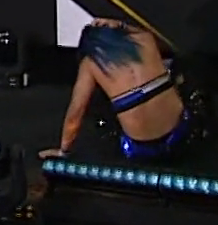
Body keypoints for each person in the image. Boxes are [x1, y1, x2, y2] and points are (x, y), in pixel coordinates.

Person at [39, 19, 203, 163]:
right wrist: (119, 24)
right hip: (180, 136)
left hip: (140, 149)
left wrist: (63, 151)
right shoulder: (145, 40)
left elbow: (75, 113)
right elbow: (141, 32)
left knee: (102, 107)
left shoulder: (90, 64)